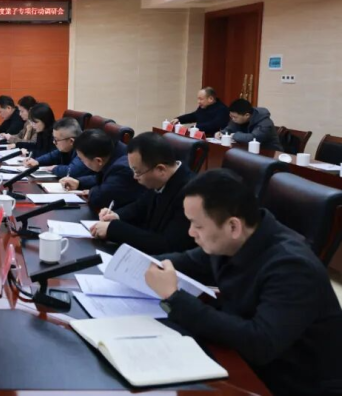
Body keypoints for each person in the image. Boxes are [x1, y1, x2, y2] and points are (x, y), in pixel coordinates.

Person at [145, 170, 342, 395]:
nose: (191, 233)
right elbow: (187, 261)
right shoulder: (236, 239)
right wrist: (141, 262)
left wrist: (174, 297)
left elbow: (260, 343)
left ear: (233, 226)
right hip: (244, 355)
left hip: (292, 381)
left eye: (197, 226)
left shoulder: (293, 268)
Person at [89, 132, 195, 254]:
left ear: (160, 169)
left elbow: (167, 244)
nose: (135, 177)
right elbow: (140, 207)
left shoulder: (190, 194)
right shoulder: (160, 179)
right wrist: (116, 216)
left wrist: (113, 229)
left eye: (137, 172)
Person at [61, 129, 144, 210]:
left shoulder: (122, 169)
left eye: (82, 160)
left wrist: (91, 192)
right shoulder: (113, 151)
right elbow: (105, 178)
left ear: (98, 161)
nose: (82, 162)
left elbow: (99, 199)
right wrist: (79, 183)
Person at [24, 117, 93, 181]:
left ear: (71, 141)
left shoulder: (86, 148)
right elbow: (54, 155)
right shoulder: (68, 147)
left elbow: (72, 171)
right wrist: (37, 161)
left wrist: (54, 168)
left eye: (56, 140)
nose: (54, 142)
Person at [215, 98, 283, 151]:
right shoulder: (238, 119)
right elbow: (230, 129)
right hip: (247, 151)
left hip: (269, 153)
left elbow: (254, 138)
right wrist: (222, 133)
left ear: (247, 115)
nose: (233, 119)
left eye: (235, 117)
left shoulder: (265, 122)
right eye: (231, 116)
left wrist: (234, 135)